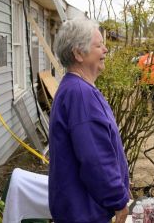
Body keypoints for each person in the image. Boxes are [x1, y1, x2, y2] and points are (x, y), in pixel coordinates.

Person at [49, 18, 130, 223]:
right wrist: (118, 201)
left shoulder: (77, 89)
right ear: (78, 53)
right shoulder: (80, 95)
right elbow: (96, 158)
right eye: (98, 45)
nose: (105, 50)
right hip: (84, 213)